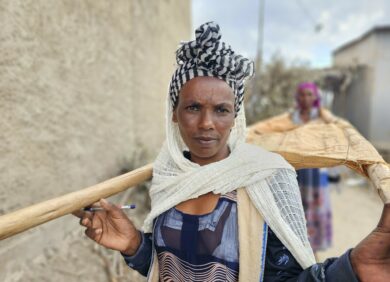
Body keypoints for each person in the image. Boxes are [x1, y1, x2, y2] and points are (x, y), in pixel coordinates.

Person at [73, 22, 390, 282]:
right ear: (174, 114)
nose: (206, 123)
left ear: (235, 118)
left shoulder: (266, 177)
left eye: (221, 110)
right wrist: (134, 246)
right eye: (193, 107)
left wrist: (351, 269)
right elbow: (170, 269)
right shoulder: (169, 176)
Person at [292, 82, 333, 256]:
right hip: (297, 172)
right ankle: (299, 250)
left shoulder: (322, 117)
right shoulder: (292, 118)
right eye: (302, 94)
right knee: (297, 209)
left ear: (316, 97)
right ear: (297, 97)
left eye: (309, 94)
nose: (306, 98)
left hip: (317, 173)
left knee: (315, 208)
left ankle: (313, 252)